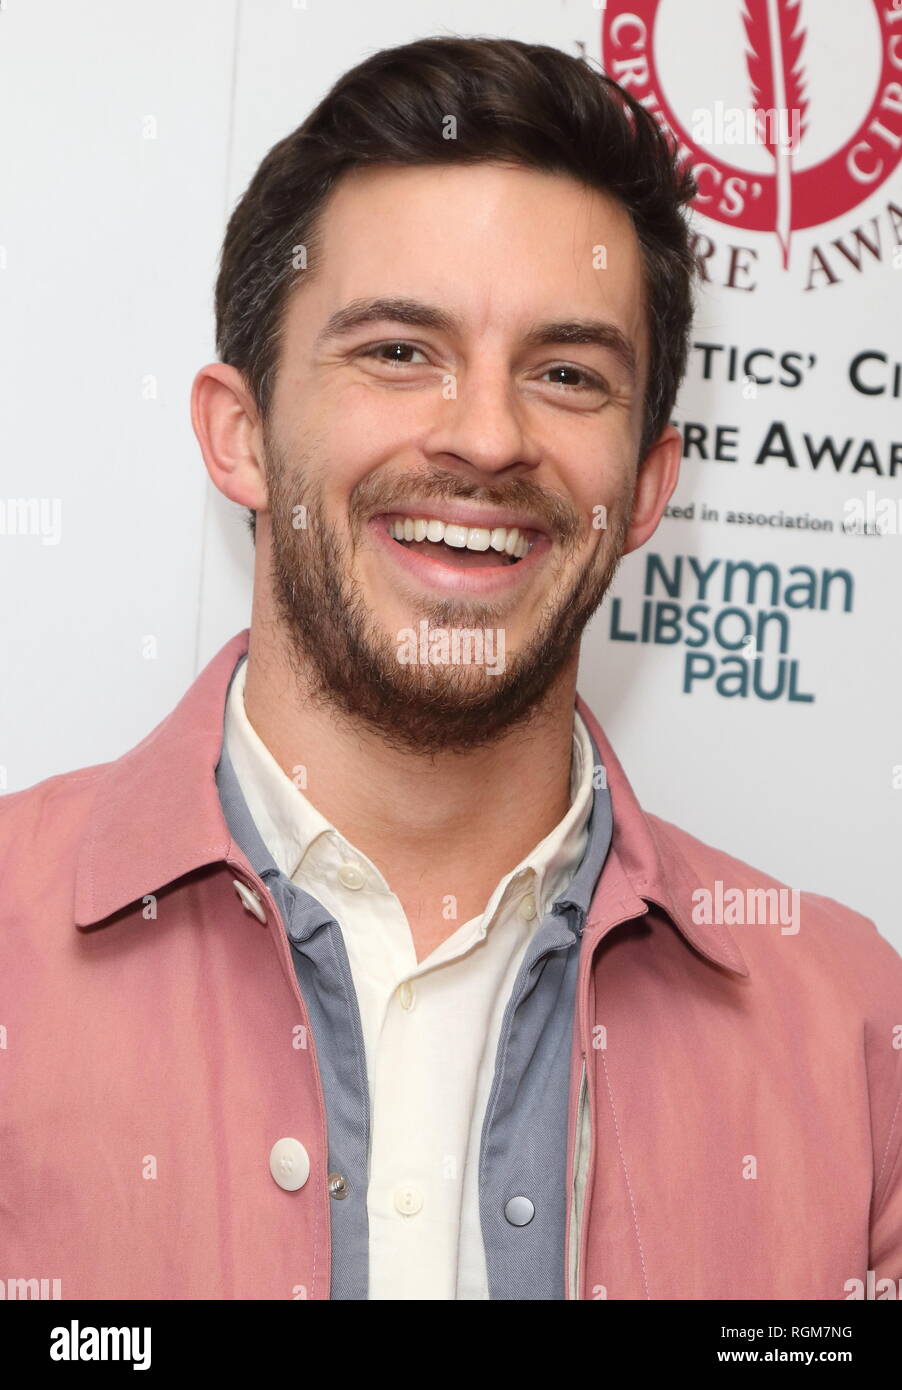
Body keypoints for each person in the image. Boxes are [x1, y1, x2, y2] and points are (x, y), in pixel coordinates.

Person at [2, 35, 900, 1302]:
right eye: (396, 351)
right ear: (239, 434)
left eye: (566, 374)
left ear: (645, 487)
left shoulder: (857, 1036)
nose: (485, 436)